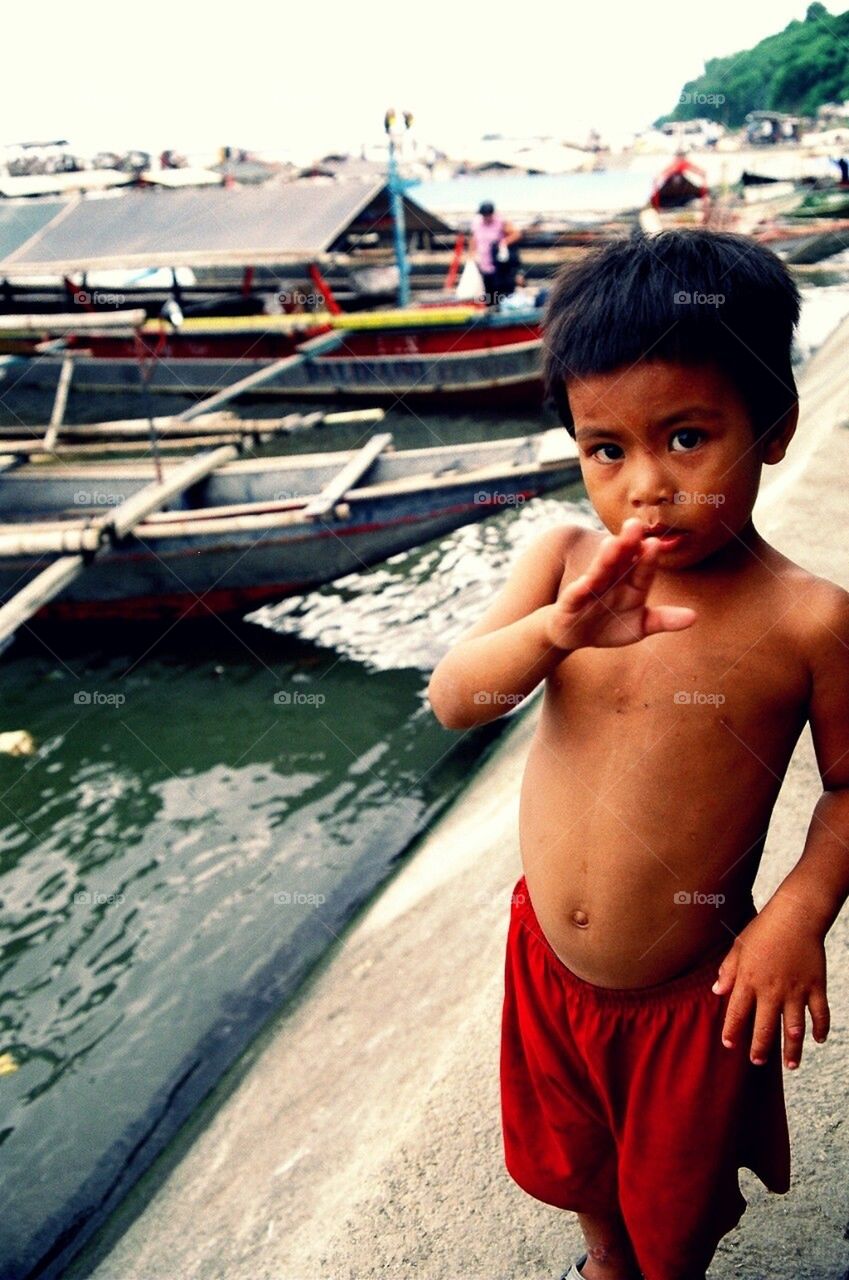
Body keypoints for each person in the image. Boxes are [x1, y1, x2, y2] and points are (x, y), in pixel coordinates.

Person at [427, 229, 849, 1280]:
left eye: (688, 436)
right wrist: (554, 635)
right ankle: (601, 1260)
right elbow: (453, 701)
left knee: (677, 1199)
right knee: (575, 1164)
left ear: (776, 428)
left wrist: (798, 912)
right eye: (605, 449)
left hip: (687, 1000)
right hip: (546, 967)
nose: (644, 485)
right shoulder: (563, 562)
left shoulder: (807, 621)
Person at [470, 200, 521, 306]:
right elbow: (474, 239)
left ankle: (502, 310)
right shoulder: (477, 223)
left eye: (488, 214)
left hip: (498, 265)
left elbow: (516, 234)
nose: (486, 217)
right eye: (484, 215)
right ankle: (490, 310)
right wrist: (472, 254)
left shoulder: (501, 222)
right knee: (488, 292)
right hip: (484, 264)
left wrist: (504, 242)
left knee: (501, 291)